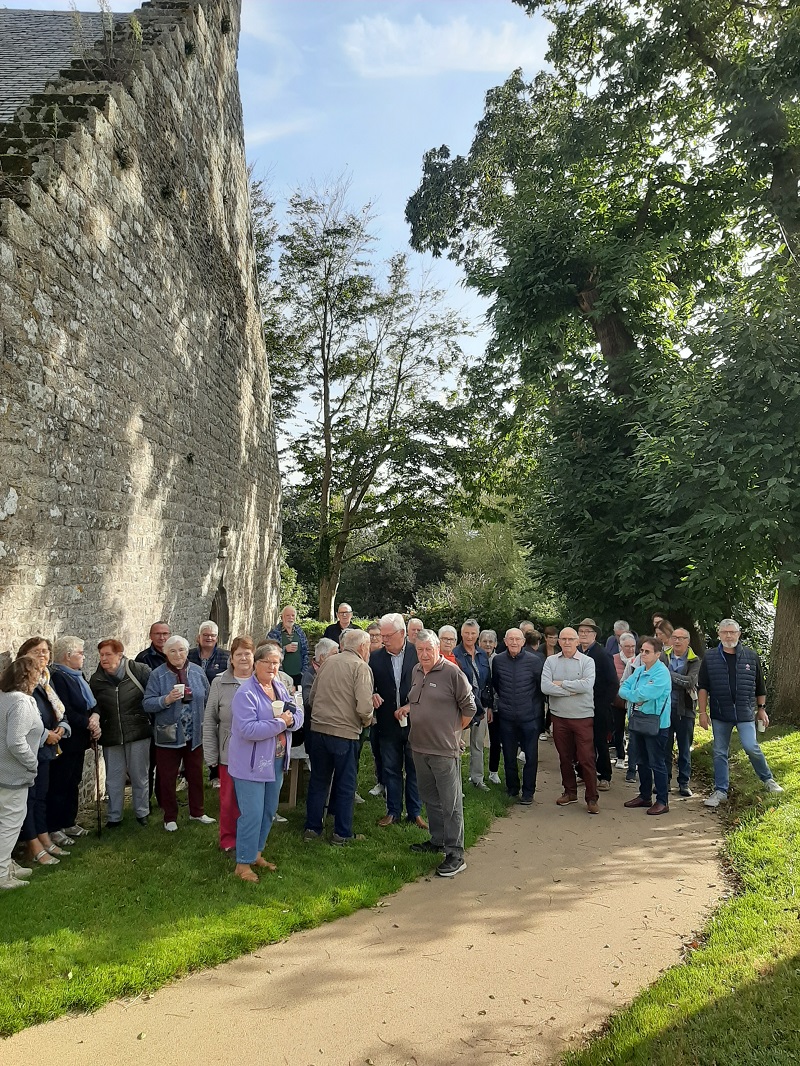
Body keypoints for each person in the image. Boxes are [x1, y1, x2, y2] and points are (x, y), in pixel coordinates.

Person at [228, 643, 302, 881]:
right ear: (256, 664)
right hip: (250, 764)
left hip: (277, 760)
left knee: (268, 811)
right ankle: (242, 865)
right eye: (268, 662)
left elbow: (296, 713)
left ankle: (256, 854)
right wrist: (281, 723)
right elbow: (248, 729)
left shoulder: (279, 687)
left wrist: (291, 721)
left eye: (276, 662)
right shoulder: (246, 694)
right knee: (251, 814)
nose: (272, 666)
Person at [405, 630, 476, 877]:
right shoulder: (416, 671)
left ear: (438, 649)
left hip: (444, 750)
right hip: (419, 746)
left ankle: (456, 852)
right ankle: (437, 840)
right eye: (420, 650)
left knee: (451, 802)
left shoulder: (452, 673)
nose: (424, 654)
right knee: (430, 797)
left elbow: (469, 708)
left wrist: (453, 731)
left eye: (429, 650)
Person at [698, 619, 783, 807]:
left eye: (732, 632)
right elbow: (703, 687)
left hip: (745, 712)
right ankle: (720, 791)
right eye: (725, 632)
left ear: (739, 634)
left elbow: (760, 686)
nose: (729, 636)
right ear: (719, 634)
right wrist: (702, 713)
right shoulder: (710, 657)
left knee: (751, 746)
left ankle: (768, 780)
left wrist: (761, 710)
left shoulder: (751, 657)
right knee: (720, 751)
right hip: (720, 713)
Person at [304, 629, 374, 844]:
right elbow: (364, 707)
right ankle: (341, 834)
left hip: (319, 730)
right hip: (344, 734)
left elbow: (312, 697)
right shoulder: (361, 667)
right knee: (345, 784)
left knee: (318, 780)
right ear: (362, 647)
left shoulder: (327, 663)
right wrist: (367, 721)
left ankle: (312, 829)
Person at [143, 635, 212, 831]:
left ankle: (197, 812)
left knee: (196, 774)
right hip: (169, 734)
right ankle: (170, 816)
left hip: (194, 733)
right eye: (172, 651)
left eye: (181, 650)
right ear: (166, 653)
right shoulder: (158, 675)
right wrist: (166, 699)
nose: (178, 654)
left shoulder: (197, 672)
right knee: (167, 777)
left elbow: (207, 697)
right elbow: (147, 703)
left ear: (186, 651)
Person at [17, 637, 72, 865]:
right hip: (31, 750)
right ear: (24, 654)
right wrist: (44, 735)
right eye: (37, 651)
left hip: (48, 750)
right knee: (29, 800)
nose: (43, 655)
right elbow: (20, 719)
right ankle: (33, 844)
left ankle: (43, 836)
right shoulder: (22, 682)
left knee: (41, 797)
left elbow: (59, 711)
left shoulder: (46, 681)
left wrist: (62, 728)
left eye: (46, 651)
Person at [89, 639, 153, 827]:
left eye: (108, 654)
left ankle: (142, 813)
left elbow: (152, 696)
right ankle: (114, 817)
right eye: (101, 655)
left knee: (139, 775)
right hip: (111, 734)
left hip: (138, 731)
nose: (104, 659)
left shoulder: (139, 671)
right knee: (114, 778)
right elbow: (95, 705)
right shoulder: (97, 679)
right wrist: (95, 717)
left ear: (120, 654)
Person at [371, 614, 426, 828]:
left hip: (414, 723)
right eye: (382, 635)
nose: (383, 639)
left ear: (402, 634)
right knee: (391, 768)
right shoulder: (375, 658)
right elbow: (368, 684)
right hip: (387, 723)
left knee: (414, 768)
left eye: (387, 635)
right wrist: (372, 694)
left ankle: (415, 812)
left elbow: (428, 686)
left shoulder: (418, 654)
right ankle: (393, 811)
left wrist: (411, 707)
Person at [203, 636, 255, 851]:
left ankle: (250, 840)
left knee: (252, 802)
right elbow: (209, 720)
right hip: (229, 753)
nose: (243, 658)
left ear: (254, 657)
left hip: (255, 752)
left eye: (247, 653)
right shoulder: (219, 682)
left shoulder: (262, 681)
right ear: (232, 659)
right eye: (238, 654)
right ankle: (228, 840)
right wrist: (211, 755)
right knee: (228, 801)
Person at [47, 636, 101, 844]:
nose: (84, 657)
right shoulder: (59, 677)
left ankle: (69, 821)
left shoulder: (78, 675)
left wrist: (95, 717)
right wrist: (88, 723)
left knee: (74, 780)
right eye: (80, 652)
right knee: (60, 782)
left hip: (80, 740)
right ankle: (55, 826)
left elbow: (91, 703)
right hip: (67, 740)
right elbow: (65, 709)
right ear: (68, 656)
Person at [541, 627, 599, 814]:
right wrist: (572, 690)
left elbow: (587, 685)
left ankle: (591, 798)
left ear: (577, 641)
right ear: (558, 641)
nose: (566, 642)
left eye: (570, 639)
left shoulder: (587, 661)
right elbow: (545, 687)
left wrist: (561, 683)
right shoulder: (550, 661)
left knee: (586, 758)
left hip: (582, 717)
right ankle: (569, 792)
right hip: (559, 717)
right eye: (563, 639)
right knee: (564, 757)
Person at [0, 656, 44, 889]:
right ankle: (1, 874)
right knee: (9, 824)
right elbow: (16, 741)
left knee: (3, 823)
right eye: (38, 672)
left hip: (3, 773)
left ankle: (6, 864)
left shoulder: (3, 697)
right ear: (30, 676)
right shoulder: (20, 702)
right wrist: (32, 763)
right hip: (13, 774)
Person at [620, 637, 673, 815]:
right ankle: (644, 796)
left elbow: (647, 693)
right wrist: (635, 695)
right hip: (638, 721)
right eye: (641, 650)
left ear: (658, 654)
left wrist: (633, 695)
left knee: (657, 762)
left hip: (656, 724)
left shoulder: (662, 673)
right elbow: (623, 687)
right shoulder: (640, 670)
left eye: (647, 651)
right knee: (641, 760)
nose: (642, 654)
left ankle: (662, 801)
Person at [491, 628, 545, 803]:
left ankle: (528, 792)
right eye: (510, 639)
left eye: (517, 639)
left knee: (530, 756)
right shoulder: (498, 661)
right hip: (507, 716)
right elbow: (497, 684)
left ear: (523, 642)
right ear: (505, 641)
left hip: (529, 717)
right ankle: (512, 788)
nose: (514, 642)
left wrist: (534, 709)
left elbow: (540, 688)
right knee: (508, 755)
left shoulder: (535, 661)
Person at [577, 618, 619, 790]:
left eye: (588, 632)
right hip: (579, 705)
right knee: (581, 741)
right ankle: (584, 772)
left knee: (600, 741)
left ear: (594, 635)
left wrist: (603, 703)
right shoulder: (576, 653)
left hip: (598, 705)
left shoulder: (602, 654)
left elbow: (613, 683)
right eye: (581, 632)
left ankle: (604, 776)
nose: (584, 635)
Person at [453, 618, 491, 790]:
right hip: (460, 706)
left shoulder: (483, 654)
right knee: (456, 744)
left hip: (481, 705)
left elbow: (488, 682)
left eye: (473, 633)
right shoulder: (455, 654)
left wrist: (488, 706)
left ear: (477, 635)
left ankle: (477, 779)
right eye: (466, 633)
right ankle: (455, 782)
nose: (469, 636)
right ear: (461, 633)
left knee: (477, 744)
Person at [666, 628, 700, 798]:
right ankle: (664, 782)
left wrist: (668, 675)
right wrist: (679, 680)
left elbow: (690, 682)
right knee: (665, 747)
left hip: (685, 710)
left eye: (681, 638)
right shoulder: (663, 656)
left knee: (684, 748)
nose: (677, 641)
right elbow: (657, 679)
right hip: (664, 709)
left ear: (688, 641)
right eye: (675, 638)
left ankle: (684, 783)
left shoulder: (695, 661)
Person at [479, 629, 502, 785]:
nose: (487, 644)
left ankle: (493, 772)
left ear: (495, 644)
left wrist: (492, 707)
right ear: (479, 643)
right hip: (478, 706)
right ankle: (477, 773)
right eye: (484, 641)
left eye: (490, 641)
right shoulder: (475, 659)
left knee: (495, 740)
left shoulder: (499, 660)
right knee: (477, 741)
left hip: (496, 707)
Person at [266, 606, 309, 687]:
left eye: (293, 615)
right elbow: (268, 653)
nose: (290, 618)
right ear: (282, 617)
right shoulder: (274, 633)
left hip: (299, 675)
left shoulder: (299, 631)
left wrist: (304, 672)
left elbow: (305, 652)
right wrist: (284, 649)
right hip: (281, 676)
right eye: (288, 615)